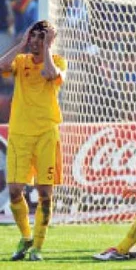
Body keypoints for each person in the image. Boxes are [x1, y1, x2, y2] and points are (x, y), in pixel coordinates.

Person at [0, 21, 67, 261]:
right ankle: (26, 237)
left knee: (45, 193)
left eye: (43, 37)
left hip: (46, 134)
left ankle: (38, 246)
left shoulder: (57, 61)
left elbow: (50, 74)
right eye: (35, 36)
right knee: (16, 190)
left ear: (50, 40)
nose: (37, 41)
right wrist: (21, 43)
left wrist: (47, 46)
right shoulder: (20, 61)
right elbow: (1, 66)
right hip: (19, 134)